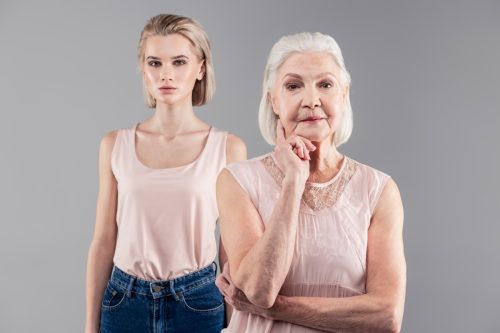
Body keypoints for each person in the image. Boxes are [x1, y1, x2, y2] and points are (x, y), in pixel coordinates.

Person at [216, 32, 406, 332]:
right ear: (274, 100)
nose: (311, 100)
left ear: (343, 94)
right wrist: (293, 182)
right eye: (293, 86)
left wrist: (279, 308)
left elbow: (386, 316)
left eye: (325, 85)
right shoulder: (237, 181)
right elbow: (259, 289)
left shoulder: (379, 191)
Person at [85, 14, 246, 333]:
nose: (166, 74)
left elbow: (231, 251)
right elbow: (104, 239)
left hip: (198, 302)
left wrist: (237, 325)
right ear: (143, 69)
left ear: (200, 68)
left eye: (179, 62)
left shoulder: (228, 148)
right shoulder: (115, 145)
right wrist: (90, 326)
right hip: (124, 302)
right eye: (155, 63)